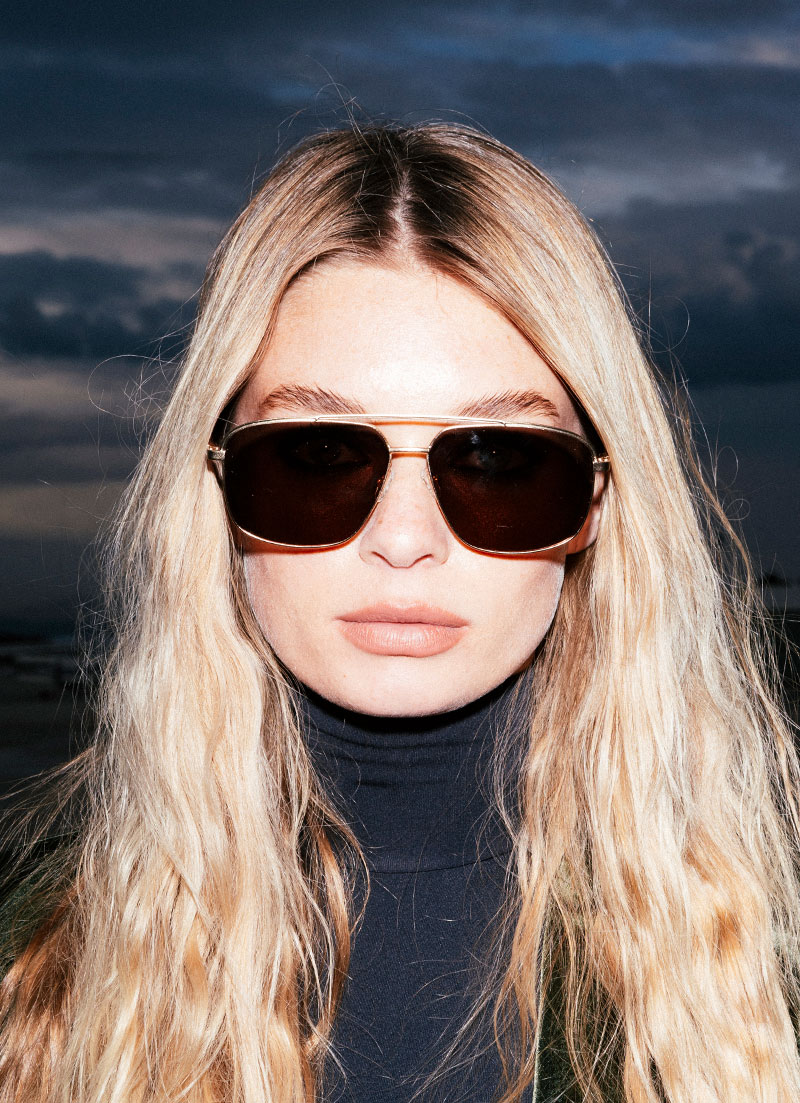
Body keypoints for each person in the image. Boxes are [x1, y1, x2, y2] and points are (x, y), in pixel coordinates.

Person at [1, 123, 799, 1103]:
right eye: (319, 455)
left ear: (594, 498)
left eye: (497, 459)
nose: (405, 538)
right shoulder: (27, 947)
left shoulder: (774, 951)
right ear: (216, 484)